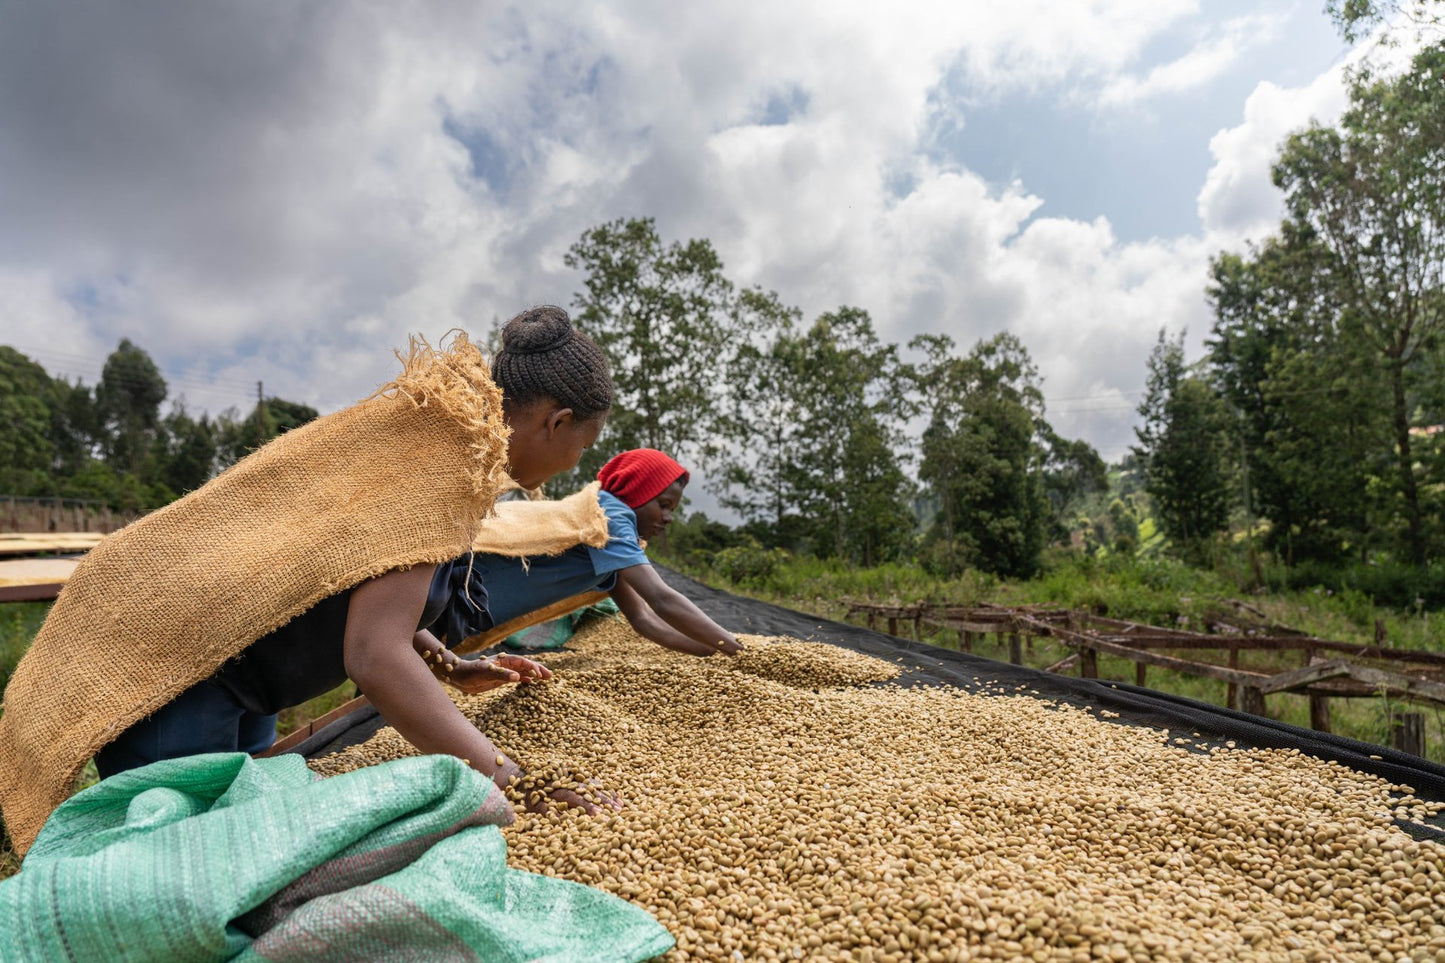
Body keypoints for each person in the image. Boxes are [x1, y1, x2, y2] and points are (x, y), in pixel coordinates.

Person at [0, 306, 613, 853]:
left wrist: (448, 664)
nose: (571, 467)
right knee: (180, 867)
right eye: (582, 448)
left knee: (240, 827)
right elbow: (373, 656)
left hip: (247, 677)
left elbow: (355, 583)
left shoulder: (452, 452)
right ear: (555, 424)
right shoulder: (442, 463)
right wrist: (514, 779)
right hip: (174, 665)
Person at [459, 448, 741, 657]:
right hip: (455, 583)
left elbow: (644, 620)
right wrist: (734, 648)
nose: (668, 518)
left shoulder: (613, 551)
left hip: (459, 614)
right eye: (664, 504)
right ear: (638, 492)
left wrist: (710, 651)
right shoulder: (608, 516)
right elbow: (661, 598)